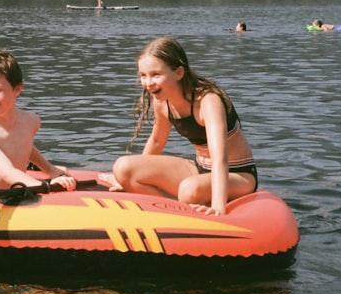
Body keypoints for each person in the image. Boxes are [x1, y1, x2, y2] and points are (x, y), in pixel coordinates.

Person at [108, 37, 257, 215]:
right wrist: (127, 179)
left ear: (179, 73)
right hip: (199, 168)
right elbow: (156, 141)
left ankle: (188, 206)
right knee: (122, 167)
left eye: (156, 74)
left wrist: (218, 206)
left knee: (188, 190)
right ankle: (168, 211)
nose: (148, 83)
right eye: (143, 75)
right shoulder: (162, 102)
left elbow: (220, 159)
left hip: (238, 175)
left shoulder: (208, 102)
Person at [0, 50, 77, 192]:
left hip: (12, 193)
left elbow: (25, 146)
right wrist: (44, 187)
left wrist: (50, 169)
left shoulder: (31, 121)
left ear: (17, 89)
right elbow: (8, 172)